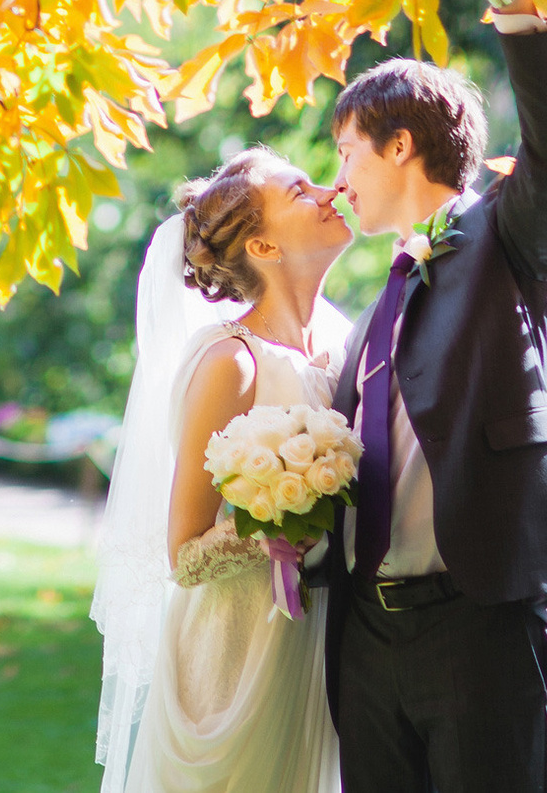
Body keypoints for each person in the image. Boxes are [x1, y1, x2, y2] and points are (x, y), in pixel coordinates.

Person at [325, 0, 547, 793]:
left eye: (346, 151)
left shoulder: (506, 240)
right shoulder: (377, 306)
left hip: (483, 621)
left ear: (399, 144)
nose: (338, 179)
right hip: (366, 637)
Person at [91, 147, 354, 793]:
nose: (328, 191)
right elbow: (183, 552)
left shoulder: (349, 345)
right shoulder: (231, 363)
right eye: (300, 191)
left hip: (317, 649)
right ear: (263, 246)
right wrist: (268, 530)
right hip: (234, 658)